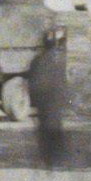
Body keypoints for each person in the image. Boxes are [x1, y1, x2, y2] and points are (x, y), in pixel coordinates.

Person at [27, 25, 71, 171]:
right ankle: (56, 157)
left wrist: (33, 100)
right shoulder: (58, 60)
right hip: (52, 98)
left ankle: (48, 157)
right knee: (55, 126)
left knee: (45, 127)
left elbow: (31, 81)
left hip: (43, 99)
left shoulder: (37, 60)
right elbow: (63, 81)